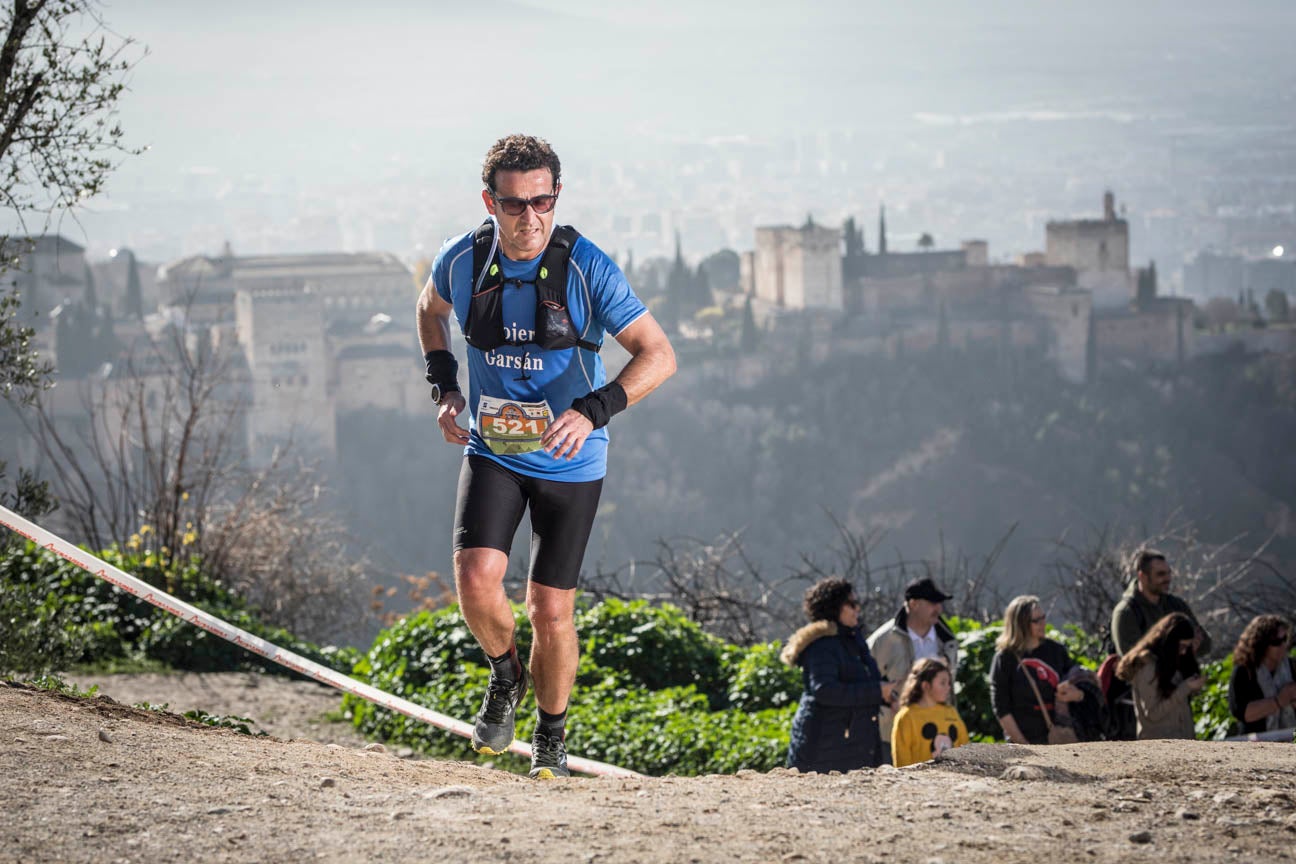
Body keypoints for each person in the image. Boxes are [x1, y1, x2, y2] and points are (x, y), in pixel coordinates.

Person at [415, 134, 675, 779]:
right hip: (495, 448)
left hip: (570, 461)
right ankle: (505, 674)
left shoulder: (588, 267)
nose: (530, 217)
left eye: (543, 202)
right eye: (514, 204)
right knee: (476, 581)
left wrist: (593, 409)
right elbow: (429, 311)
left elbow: (659, 355)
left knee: (550, 608)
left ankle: (551, 736)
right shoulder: (464, 259)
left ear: (556, 197)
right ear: (489, 201)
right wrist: (445, 389)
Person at [781, 578, 896, 773]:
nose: (857, 609)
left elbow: (862, 682)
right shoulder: (823, 645)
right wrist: (877, 691)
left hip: (851, 744)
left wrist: (886, 695)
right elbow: (825, 691)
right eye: (851, 604)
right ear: (834, 607)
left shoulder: (852, 639)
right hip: (823, 749)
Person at [868, 577, 959, 761]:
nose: (939, 609)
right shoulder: (882, 640)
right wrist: (886, 699)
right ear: (914, 604)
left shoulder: (948, 641)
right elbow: (865, 679)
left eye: (939, 603)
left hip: (939, 732)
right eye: (933, 603)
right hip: (892, 729)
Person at [989, 595, 1084, 745]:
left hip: (1058, 739)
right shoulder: (1005, 658)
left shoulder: (1056, 650)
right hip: (1023, 742)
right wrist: (1023, 744)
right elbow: (1001, 708)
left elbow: (1078, 682)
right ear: (1020, 624)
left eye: (1043, 617)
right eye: (1036, 620)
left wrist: (1077, 694)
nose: (1043, 623)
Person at [1114, 612, 1203, 739]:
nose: (1183, 652)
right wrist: (1185, 688)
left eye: (1187, 647)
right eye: (1182, 646)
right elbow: (1152, 713)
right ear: (1170, 641)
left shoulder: (1171, 662)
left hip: (1181, 742)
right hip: (1158, 745)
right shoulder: (1147, 666)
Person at [1110, 549, 1212, 657]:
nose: (1167, 578)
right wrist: (1177, 650)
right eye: (1160, 574)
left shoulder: (1176, 605)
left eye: (1168, 573)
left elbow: (1205, 644)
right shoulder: (1126, 612)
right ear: (1142, 577)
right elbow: (1133, 660)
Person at [891, 657, 969, 768]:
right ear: (926, 686)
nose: (948, 688)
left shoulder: (951, 712)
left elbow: (965, 746)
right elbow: (902, 759)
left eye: (948, 683)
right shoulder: (906, 717)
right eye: (942, 683)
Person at [1228, 615, 1296, 736]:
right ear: (1261, 644)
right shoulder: (1244, 671)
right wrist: (1279, 701)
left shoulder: (1291, 666)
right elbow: (1243, 713)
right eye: (1276, 642)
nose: (1283, 645)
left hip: (1289, 738)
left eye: (1285, 639)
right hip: (1257, 743)